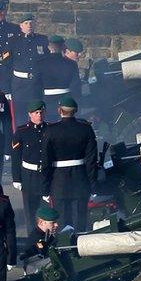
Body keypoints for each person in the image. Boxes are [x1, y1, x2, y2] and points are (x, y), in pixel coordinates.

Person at [41, 96, 98, 232]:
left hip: (58, 181)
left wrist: (45, 188)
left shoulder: (51, 130)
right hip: (80, 179)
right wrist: (93, 185)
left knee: (61, 221)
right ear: (76, 111)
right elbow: (91, 161)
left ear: (59, 110)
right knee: (80, 221)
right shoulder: (85, 129)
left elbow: (46, 163)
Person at [13, 100, 50, 234]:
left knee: (47, 212)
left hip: (46, 175)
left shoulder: (50, 129)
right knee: (30, 211)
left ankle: (48, 239)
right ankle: (32, 239)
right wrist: (16, 178)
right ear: (30, 114)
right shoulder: (22, 131)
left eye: (41, 112)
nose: (39, 115)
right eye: (36, 113)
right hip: (28, 176)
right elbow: (16, 157)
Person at [7, 14, 48, 121]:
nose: (29, 25)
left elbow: (47, 62)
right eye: (26, 23)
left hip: (36, 85)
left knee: (37, 117)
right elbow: (6, 65)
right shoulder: (13, 41)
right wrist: (7, 87)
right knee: (20, 118)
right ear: (21, 26)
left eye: (31, 23)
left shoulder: (42, 40)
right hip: (19, 85)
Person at [34, 36, 81, 110]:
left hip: (47, 101)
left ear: (49, 47)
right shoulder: (71, 64)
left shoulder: (40, 63)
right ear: (63, 47)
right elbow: (76, 87)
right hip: (66, 101)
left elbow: (36, 85)